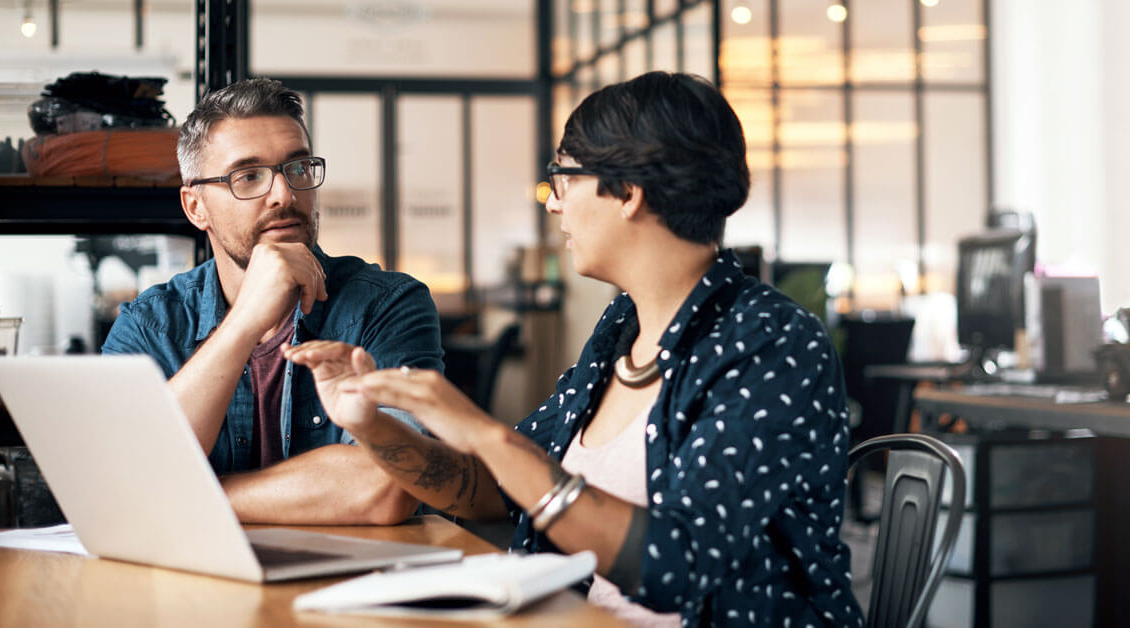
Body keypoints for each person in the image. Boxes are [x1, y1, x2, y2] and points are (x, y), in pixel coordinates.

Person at [283, 71, 862, 626]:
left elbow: (677, 568)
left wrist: (485, 433)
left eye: (562, 178)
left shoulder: (772, 343)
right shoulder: (621, 330)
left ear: (628, 193)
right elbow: (497, 491)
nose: (552, 202)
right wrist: (374, 427)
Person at [102, 78, 442, 525]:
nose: (284, 194)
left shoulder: (388, 306)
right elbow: (116, 483)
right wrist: (244, 322)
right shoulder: (149, 324)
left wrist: (181, 494)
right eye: (248, 176)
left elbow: (390, 484)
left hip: (351, 582)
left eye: (298, 168)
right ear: (195, 207)